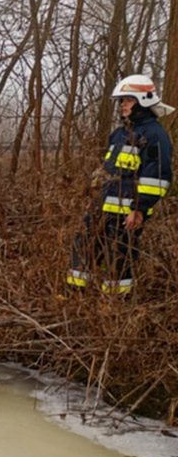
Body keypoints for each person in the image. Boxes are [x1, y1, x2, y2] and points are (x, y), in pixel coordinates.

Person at [67, 74, 174, 293]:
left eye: (128, 100)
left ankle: (115, 305)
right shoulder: (119, 134)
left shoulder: (155, 136)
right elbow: (109, 168)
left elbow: (157, 178)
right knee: (84, 246)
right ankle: (74, 297)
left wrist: (139, 210)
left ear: (143, 101)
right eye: (122, 101)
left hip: (126, 213)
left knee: (119, 257)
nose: (123, 105)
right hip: (101, 207)